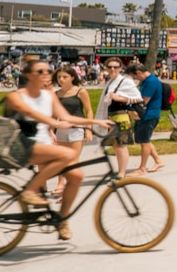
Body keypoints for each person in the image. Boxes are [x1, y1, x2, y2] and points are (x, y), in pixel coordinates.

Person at [5, 57, 112, 239]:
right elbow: (31, 113)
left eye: (48, 71)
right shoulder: (16, 96)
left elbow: (67, 117)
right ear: (28, 75)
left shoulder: (49, 96)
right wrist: (55, 123)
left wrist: (95, 122)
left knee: (77, 176)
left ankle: (61, 220)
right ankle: (30, 190)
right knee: (67, 154)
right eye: (40, 71)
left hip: (43, 145)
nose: (46, 74)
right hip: (21, 145)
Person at [52, 64, 94, 196]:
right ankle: (60, 184)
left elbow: (89, 110)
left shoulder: (80, 91)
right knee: (61, 159)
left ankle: (69, 186)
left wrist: (89, 129)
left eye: (65, 77)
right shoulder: (56, 94)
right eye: (59, 77)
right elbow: (54, 115)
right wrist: (51, 131)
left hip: (77, 129)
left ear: (72, 77)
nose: (61, 79)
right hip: (61, 130)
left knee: (73, 160)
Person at [98, 59, 143, 179]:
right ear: (106, 68)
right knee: (116, 146)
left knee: (121, 145)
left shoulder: (125, 81)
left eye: (116, 67)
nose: (112, 69)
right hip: (111, 116)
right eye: (110, 67)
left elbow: (138, 97)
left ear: (120, 68)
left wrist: (119, 98)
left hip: (121, 116)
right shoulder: (110, 81)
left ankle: (122, 173)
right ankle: (120, 171)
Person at [129, 62, 166, 174]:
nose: (135, 79)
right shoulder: (148, 81)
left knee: (144, 142)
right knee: (145, 140)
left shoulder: (150, 82)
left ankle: (142, 168)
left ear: (139, 73)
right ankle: (158, 161)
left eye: (135, 76)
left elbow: (144, 101)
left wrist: (128, 101)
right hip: (146, 115)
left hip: (148, 115)